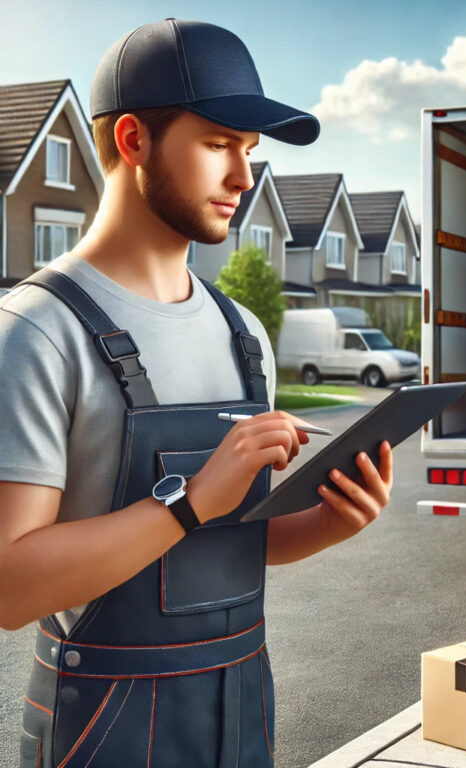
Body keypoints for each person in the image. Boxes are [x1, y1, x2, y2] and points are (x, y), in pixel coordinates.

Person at [0, 18, 393, 768]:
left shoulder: (244, 334)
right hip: (102, 727)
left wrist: (330, 522)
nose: (243, 178)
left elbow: (225, 543)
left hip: (241, 708)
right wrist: (189, 501)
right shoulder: (36, 331)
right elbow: (10, 587)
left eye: (249, 152)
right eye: (219, 145)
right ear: (133, 141)